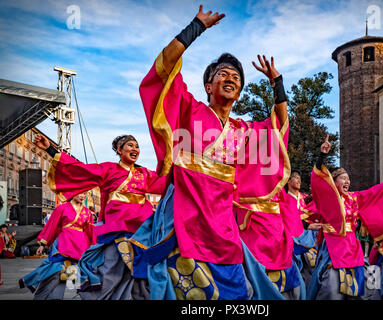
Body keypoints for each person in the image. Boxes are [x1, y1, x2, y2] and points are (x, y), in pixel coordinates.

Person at [134, 5, 290, 300]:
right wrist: (196, 27)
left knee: (235, 291)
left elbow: (279, 128)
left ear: (240, 90)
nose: (230, 78)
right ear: (209, 85)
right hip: (184, 211)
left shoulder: (244, 130)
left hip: (222, 219)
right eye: (222, 74)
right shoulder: (189, 108)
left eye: (236, 77)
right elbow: (164, 68)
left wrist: (277, 84)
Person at [32, 133, 167, 300]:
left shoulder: (144, 174)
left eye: (137, 146)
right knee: (110, 273)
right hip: (114, 230)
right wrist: (51, 150)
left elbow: (166, 183)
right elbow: (80, 169)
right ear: (119, 150)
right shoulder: (109, 169)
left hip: (141, 230)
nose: (135, 149)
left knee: (144, 273)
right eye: (130, 145)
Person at [306, 135, 383, 300]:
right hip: (333, 244)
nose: (348, 181)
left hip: (351, 244)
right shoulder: (328, 198)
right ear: (333, 182)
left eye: (348, 179)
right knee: (332, 283)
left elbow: (373, 193)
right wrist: (322, 157)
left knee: (363, 280)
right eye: (343, 178)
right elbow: (317, 182)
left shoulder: (354, 197)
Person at [19, 193, 94, 299]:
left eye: (85, 193)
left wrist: (94, 247)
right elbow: (52, 226)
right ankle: (35, 286)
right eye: (80, 193)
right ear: (73, 193)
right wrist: (43, 244)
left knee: (65, 277)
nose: (83, 196)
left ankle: (52, 295)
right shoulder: (62, 208)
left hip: (79, 247)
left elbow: (90, 232)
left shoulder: (87, 212)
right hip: (64, 244)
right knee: (54, 270)